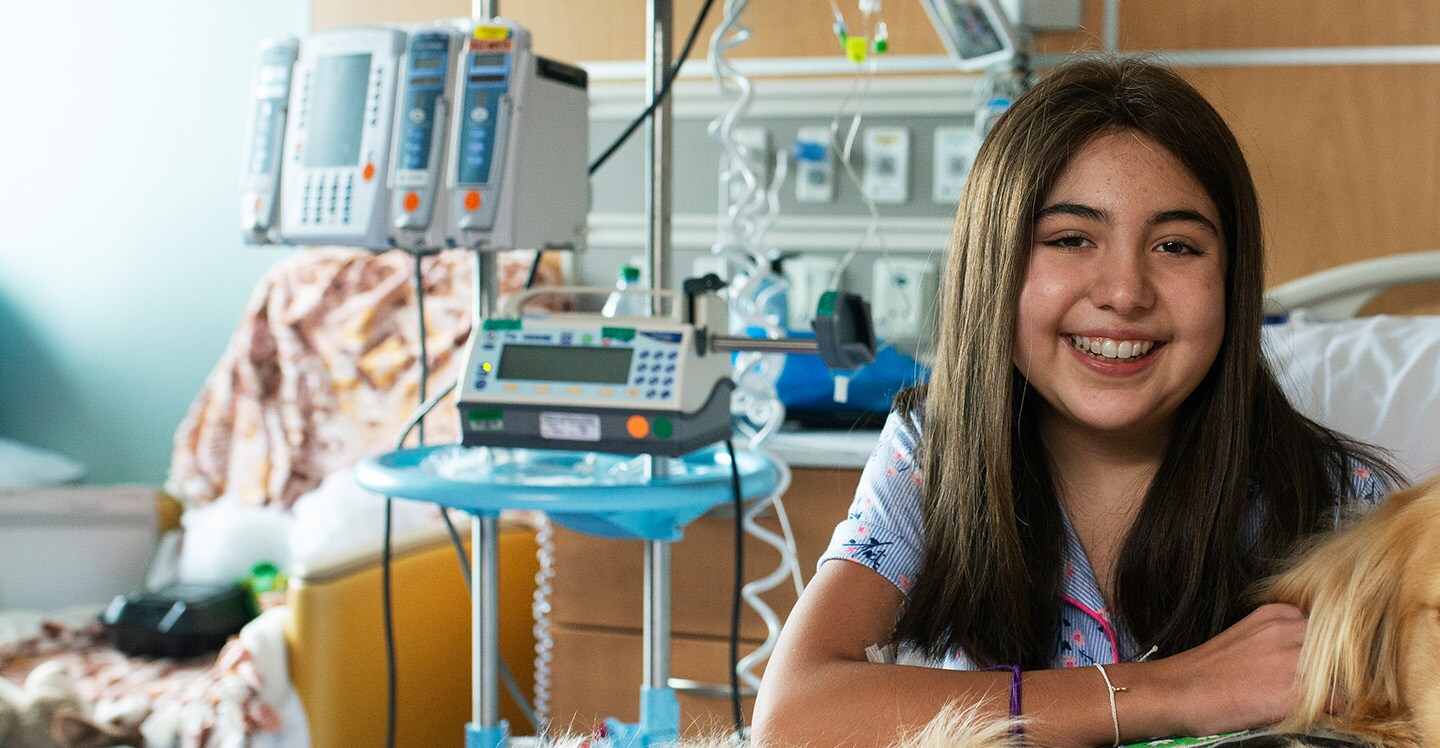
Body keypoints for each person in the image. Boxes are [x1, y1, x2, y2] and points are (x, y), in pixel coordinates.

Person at [751, 58, 1400, 747]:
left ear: (1234, 283)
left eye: (1177, 246)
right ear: (993, 266)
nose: (1125, 292)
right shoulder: (933, 459)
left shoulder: (1337, 505)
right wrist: (1181, 689)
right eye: (1070, 239)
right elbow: (795, 715)